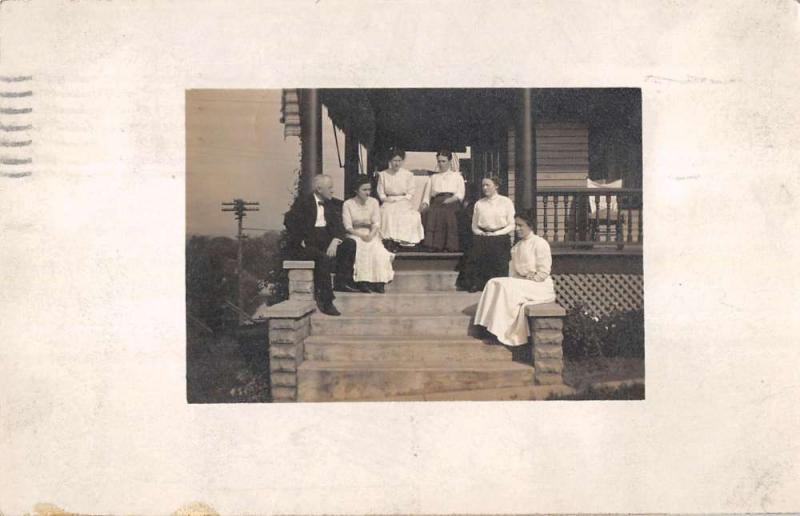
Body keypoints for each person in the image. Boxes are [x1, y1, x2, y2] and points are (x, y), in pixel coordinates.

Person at [473, 212, 557, 346]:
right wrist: (520, 279)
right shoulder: (516, 248)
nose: (517, 229)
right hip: (522, 283)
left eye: (520, 225)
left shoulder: (540, 243)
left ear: (530, 226)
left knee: (506, 288)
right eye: (516, 225)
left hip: (539, 286)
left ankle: (502, 332)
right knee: (493, 282)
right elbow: (512, 274)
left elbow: (544, 271)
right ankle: (486, 326)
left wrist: (533, 277)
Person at [283, 174, 357, 316]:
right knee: (322, 258)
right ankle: (326, 301)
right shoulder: (303, 202)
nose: (332, 191)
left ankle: (342, 281)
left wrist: (335, 241)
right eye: (329, 188)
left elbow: (339, 228)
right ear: (318, 189)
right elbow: (289, 221)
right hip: (307, 244)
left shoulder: (331, 204)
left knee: (349, 244)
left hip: (326, 240)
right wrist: (300, 239)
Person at [459, 175, 515, 292]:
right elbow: (474, 225)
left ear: (496, 186)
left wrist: (497, 233)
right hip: (483, 235)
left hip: (500, 236)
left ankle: (499, 287)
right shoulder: (479, 204)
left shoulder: (506, 202)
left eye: (488, 185)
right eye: (483, 185)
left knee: (499, 258)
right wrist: (480, 232)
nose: (484, 188)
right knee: (475, 255)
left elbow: (511, 224)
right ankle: (477, 284)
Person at [343, 176, 395, 293]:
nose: (368, 192)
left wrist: (371, 235)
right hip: (355, 234)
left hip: (371, 233)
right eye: (364, 190)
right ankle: (363, 282)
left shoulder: (373, 202)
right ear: (356, 190)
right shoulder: (348, 204)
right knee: (361, 250)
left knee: (378, 251)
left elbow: (376, 223)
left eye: (369, 189)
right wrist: (361, 235)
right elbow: (348, 226)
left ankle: (379, 282)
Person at [376, 148, 424, 252]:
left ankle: (403, 241)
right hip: (389, 200)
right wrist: (385, 199)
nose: (397, 163)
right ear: (390, 161)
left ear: (402, 161)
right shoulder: (383, 175)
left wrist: (404, 199)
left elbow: (411, 191)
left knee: (408, 216)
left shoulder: (408, 175)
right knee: (386, 213)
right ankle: (389, 241)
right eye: (394, 160)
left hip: (403, 201)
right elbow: (380, 191)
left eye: (399, 160)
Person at [422, 149, 465, 252]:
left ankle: (449, 246)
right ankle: (434, 245)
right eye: (439, 161)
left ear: (450, 162)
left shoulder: (457, 176)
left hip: (452, 201)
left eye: (443, 161)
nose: (441, 164)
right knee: (430, 212)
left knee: (446, 213)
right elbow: (427, 196)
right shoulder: (433, 177)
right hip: (437, 201)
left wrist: (450, 200)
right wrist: (425, 203)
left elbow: (460, 194)